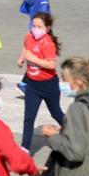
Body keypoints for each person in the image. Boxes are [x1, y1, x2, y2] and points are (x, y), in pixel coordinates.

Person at [17, 12, 65, 151]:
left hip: (49, 85)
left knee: (55, 112)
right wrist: (21, 58)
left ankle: (74, 131)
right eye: (34, 26)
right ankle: (25, 148)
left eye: (39, 26)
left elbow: (51, 65)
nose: (35, 29)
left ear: (47, 28)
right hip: (32, 85)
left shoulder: (48, 43)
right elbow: (26, 48)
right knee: (28, 117)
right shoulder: (28, 36)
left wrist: (32, 58)